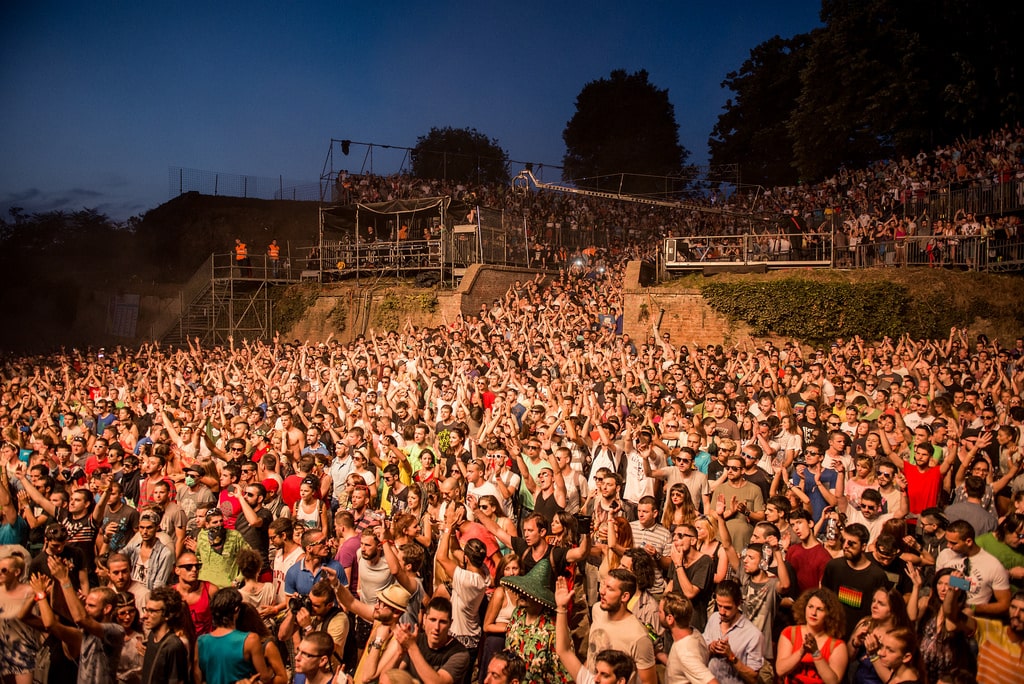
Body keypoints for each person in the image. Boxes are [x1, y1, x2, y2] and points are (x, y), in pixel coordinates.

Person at [33, 555, 126, 684]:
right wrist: (57, 579)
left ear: (107, 609)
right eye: (86, 605)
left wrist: (64, 580)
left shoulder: (115, 631)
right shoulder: (85, 630)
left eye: (91, 606)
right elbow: (58, 607)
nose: (86, 608)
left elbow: (77, 619)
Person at [501, 559, 571, 684]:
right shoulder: (517, 614)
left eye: (528, 591)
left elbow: (563, 674)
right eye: (522, 590)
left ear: (539, 598)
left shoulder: (553, 628)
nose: (522, 593)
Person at [586, 568, 658, 684]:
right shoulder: (597, 611)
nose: (602, 591)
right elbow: (592, 654)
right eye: (604, 585)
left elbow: (649, 682)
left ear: (624, 597)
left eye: (609, 588)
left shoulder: (639, 637)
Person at [377, 596, 472, 684]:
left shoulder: (460, 653)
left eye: (442, 622)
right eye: (432, 620)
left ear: (450, 624)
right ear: (424, 619)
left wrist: (412, 647)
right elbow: (384, 679)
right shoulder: (417, 640)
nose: (436, 627)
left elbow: (437, 683)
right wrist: (400, 653)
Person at [820, 523, 889, 637]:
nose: (845, 546)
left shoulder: (877, 576)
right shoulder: (833, 566)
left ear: (863, 546)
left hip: (861, 635)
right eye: (844, 541)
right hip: (832, 632)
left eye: (851, 543)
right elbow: (824, 598)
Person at [195, 587, 274, 684]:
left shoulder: (201, 642)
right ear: (236, 609)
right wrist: (272, 669)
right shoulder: (250, 639)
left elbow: (198, 678)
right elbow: (264, 677)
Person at [935, 519, 1012, 617]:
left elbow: (1004, 604)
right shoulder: (945, 555)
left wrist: (973, 608)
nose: (948, 546)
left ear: (968, 542)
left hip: (970, 619)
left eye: (953, 543)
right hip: (942, 613)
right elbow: (936, 586)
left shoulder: (993, 565)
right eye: (947, 541)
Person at [775, 588, 848, 684]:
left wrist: (816, 653)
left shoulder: (837, 645)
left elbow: (833, 682)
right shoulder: (789, 632)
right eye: (810, 607)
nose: (813, 613)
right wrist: (801, 652)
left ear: (829, 614)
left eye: (820, 609)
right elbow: (780, 670)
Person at [703, 579, 765, 684]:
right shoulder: (714, 618)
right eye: (719, 606)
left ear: (738, 603)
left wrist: (731, 656)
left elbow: (753, 678)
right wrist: (710, 648)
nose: (722, 612)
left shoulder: (753, 635)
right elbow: (702, 650)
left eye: (727, 608)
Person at [659, 593, 720, 684]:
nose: (658, 614)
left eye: (660, 612)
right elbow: (681, 665)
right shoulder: (694, 632)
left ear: (670, 618)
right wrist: (658, 654)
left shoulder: (685, 652)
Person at [0, 552, 40, 684]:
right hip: (2, 650)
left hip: (23, 650)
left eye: (4, 570)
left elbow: (37, 620)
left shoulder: (30, 592)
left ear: (17, 572)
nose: (0, 573)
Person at [139, 586, 191, 684]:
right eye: (146, 610)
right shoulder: (152, 636)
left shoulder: (173, 646)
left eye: (152, 611)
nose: (145, 616)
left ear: (167, 615)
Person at [974, 590, 1024, 684]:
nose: (1016, 614)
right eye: (1013, 607)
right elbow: (954, 618)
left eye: (1023, 611)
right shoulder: (991, 629)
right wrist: (953, 590)